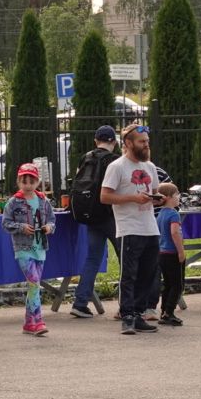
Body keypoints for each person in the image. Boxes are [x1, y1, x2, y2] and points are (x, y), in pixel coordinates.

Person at [69, 124, 121, 319]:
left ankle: (80, 303)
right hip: (110, 215)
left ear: (96, 141)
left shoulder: (86, 158)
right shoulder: (115, 161)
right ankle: (126, 304)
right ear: (114, 142)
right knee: (126, 258)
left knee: (92, 259)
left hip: (90, 215)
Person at [2, 163, 54, 337]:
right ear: (18, 181)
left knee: (34, 286)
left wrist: (48, 227)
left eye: (32, 181)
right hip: (23, 249)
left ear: (37, 181)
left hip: (40, 248)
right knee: (34, 283)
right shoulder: (13, 202)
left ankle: (28, 323)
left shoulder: (43, 201)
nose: (28, 185)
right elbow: (5, 223)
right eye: (24, 181)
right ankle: (38, 322)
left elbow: (53, 221)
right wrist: (21, 226)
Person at [155, 183, 186, 327]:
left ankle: (164, 311)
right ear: (168, 198)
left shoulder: (160, 213)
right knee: (177, 285)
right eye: (176, 194)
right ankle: (169, 313)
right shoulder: (174, 214)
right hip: (172, 253)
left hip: (162, 253)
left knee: (167, 284)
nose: (179, 197)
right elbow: (175, 232)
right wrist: (181, 251)